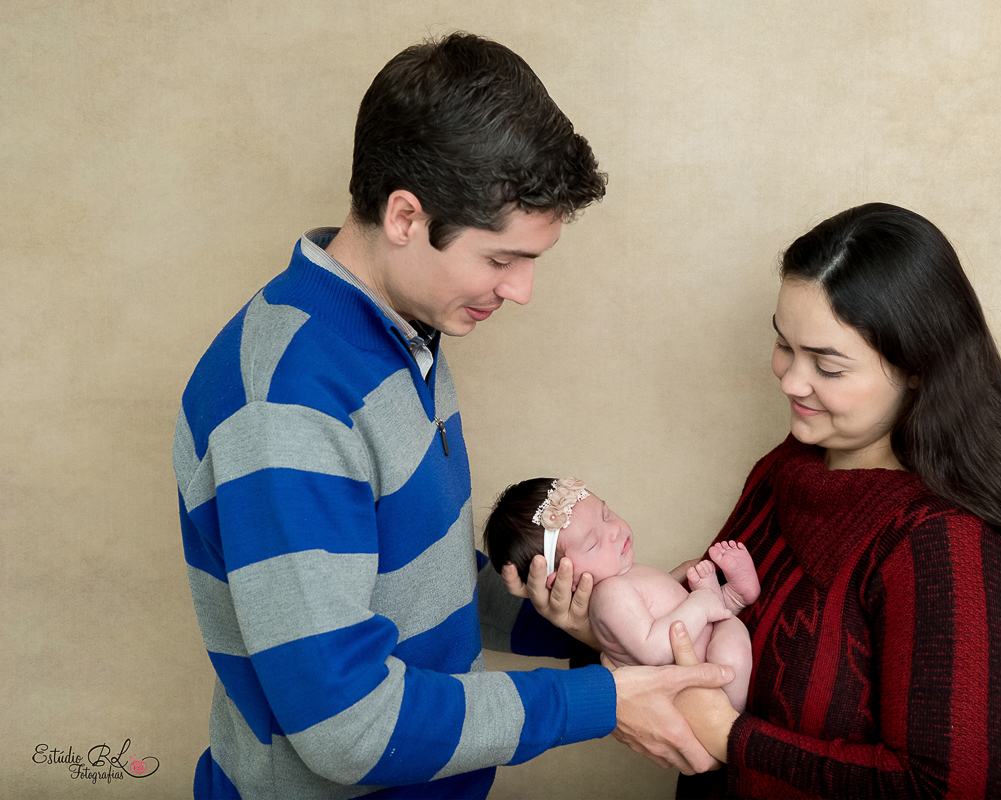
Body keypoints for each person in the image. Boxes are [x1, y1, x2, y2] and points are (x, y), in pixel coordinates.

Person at [173, 32, 729, 800]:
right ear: (405, 216)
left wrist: (594, 617)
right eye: (502, 260)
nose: (522, 291)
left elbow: (411, 578)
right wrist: (599, 702)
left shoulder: (406, 337)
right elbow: (349, 726)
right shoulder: (287, 408)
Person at [506, 203, 1001, 798]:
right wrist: (608, 632)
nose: (790, 380)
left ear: (918, 370)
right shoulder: (788, 464)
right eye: (784, 344)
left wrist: (731, 738)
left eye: (827, 364)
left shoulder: (948, 549)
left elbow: (948, 791)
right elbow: (706, 629)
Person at [483, 477, 759, 710]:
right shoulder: (608, 596)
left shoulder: (617, 574)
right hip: (698, 673)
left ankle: (731, 598)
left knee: (717, 615)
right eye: (592, 543)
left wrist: (682, 580)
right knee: (732, 651)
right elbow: (654, 649)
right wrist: (700, 604)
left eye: (606, 514)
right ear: (565, 580)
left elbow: (655, 600)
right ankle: (729, 717)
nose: (614, 531)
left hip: (700, 637)